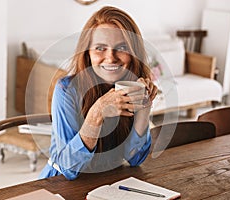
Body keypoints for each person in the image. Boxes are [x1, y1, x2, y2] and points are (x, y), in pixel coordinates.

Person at [39, 6, 158, 180]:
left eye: (122, 47)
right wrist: (97, 113)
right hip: (60, 183)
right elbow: (68, 168)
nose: (111, 58)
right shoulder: (67, 89)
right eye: (100, 48)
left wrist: (144, 107)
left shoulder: (130, 86)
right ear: (87, 53)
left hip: (108, 184)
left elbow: (135, 158)